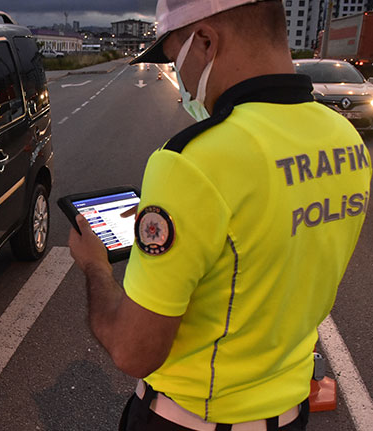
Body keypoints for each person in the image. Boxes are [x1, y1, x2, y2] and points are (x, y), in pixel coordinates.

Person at [68, 1, 371, 430]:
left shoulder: (190, 163)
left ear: (206, 42)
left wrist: (95, 266)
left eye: (176, 60)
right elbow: (267, 236)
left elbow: (132, 351)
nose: (181, 80)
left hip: (191, 420)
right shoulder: (344, 138)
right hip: (289, 412)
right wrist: (192, 225)